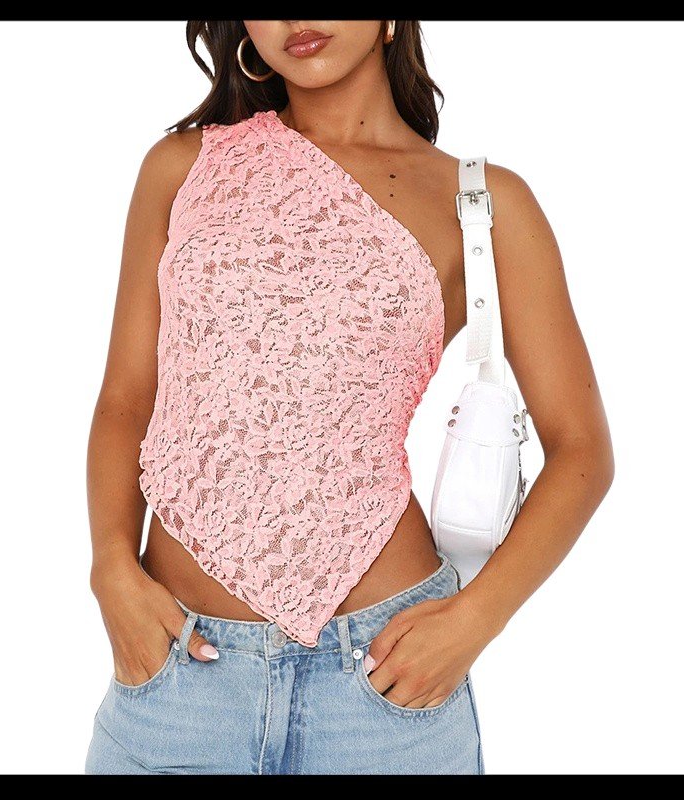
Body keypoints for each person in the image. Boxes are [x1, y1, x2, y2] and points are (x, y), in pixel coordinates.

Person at [84, 20, 614, 775]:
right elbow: (126, 399)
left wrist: (475, 620)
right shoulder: (182, 168)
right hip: (177, 677)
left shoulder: (481, 201)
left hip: (382, 689)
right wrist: (110, 566)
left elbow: (583, 450)